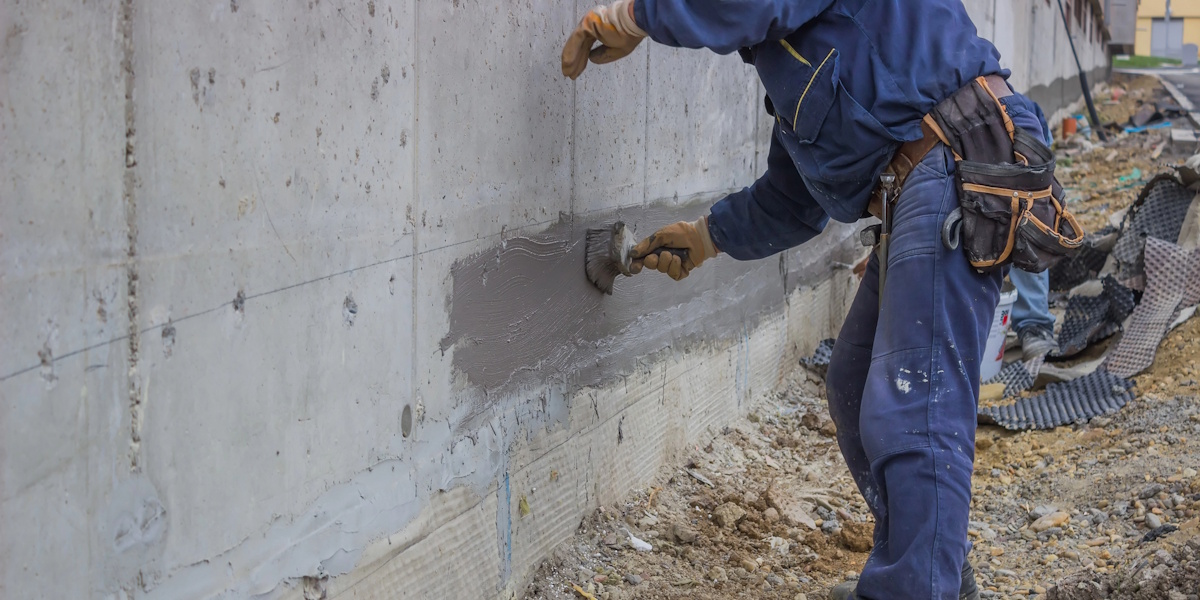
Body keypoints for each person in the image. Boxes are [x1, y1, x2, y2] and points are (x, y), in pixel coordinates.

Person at [561, 2, 1053, 599]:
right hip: (922, 184)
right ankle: (936, 574)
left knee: (914, 403)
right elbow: (796, 200)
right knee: (853, 383)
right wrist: (708, 237)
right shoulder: (801, 44)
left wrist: (636, 17)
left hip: (953, 166)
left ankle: (916, 589)